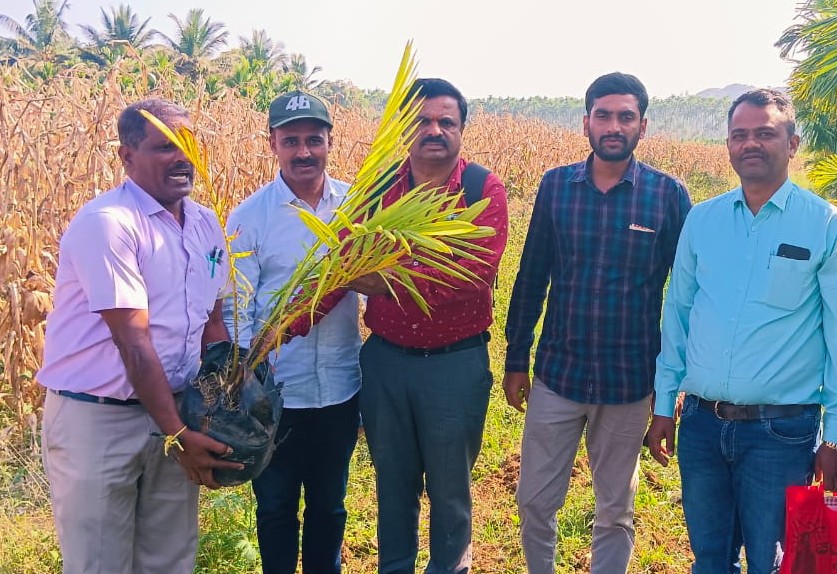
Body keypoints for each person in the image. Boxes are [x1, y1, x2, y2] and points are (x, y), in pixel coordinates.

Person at [288, 77, 509, 573]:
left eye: (445, 122)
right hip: (386, 361)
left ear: (461, 130)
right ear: (407, 129)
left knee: (450, 490)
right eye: (423, 121)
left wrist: (380, 280)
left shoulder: (480, 190)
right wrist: (290, 324)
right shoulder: (377, 190)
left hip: (454, 363)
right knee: (393, 483)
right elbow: (340, 267)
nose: (434, 130)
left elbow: (470, 275)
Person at [647, 88, 837, 574]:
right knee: (709, 557)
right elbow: (677, 315)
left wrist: (835, 439)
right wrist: (664, 405)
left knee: (771, 561)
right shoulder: (702, 220)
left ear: (792, 143)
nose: (751, 144)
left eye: (765, 133)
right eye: (739, 134)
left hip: (780, 431)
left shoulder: (827, 226)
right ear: (727, 145)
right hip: (701, 426)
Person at [37, 99, 241, 574]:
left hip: (176, 410)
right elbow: (134, 343)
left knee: (169, 560)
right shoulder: (110, 225)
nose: (182, 157)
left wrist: (217, 405)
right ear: (126, 156)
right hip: (100, 421)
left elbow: (213, 323)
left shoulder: (206, 223)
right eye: (165, 147)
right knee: (100, 562)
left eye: (189, 145)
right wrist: (178, 434)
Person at [504, 72, 692, 573]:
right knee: (534, 501)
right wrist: (516, 359)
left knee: (615, 510)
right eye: (603, 115)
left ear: (643, 126)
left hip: (630, 381)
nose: (614, 126)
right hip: (558, 376)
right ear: (586, 121)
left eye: (625, 116)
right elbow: (531, 276)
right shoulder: (555, 187)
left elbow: (685, 299)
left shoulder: (668, 196)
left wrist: (669, 389)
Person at [223, 90, 362, 574]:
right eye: (291, 140)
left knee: (330, 505)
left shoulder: (356, 208)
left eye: (314, 139)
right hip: (276, 395)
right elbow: (238, 309)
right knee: (276, 507)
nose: (304, 151)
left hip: (342, 388)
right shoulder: (249, 217)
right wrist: (242, 384)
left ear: (329, 142)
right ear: (273, 144)